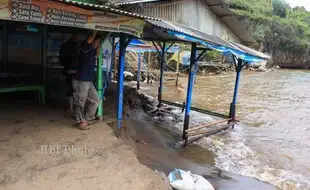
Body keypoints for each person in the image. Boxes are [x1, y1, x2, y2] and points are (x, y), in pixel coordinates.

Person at [72, 30, 101, 129]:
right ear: (92, 41)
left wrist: (98, 46)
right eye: (97, 42)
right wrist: (96, 29)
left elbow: (97, 55)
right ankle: (80, 121)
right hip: (80, 80)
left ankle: (89, 118)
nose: (97, 44)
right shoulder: (85, 47)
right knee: (80, 102)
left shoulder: (92, 51)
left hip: (88, 81)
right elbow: (90, 38)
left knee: (96, 100)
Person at [59, 34, 79, 115]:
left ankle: (71, 108)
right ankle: (77, 108)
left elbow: (61, 60)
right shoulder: (78, 47)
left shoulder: (64, 46)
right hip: (78, 71)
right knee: (77, 90)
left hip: (68, 70)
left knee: (70, 89)